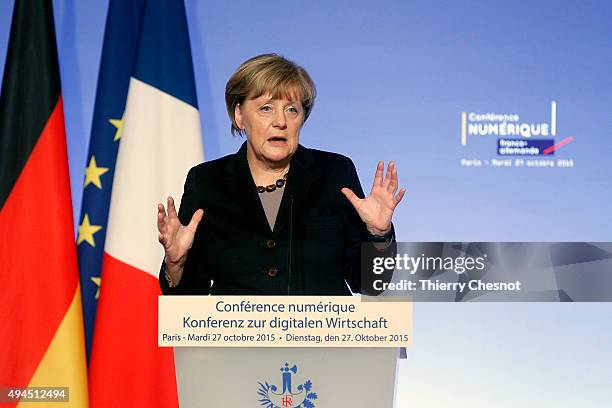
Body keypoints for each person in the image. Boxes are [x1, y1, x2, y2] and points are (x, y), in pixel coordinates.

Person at [157, 54, 405, 295]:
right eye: (266, 108)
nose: (280, 121)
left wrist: (378, 234)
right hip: (237, 336)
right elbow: (188, 298)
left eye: (291, 110)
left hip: (322, 334)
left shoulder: (334, 174)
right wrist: (176, 264)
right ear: (239, 116)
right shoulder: (207, 181)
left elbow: (369, 283)